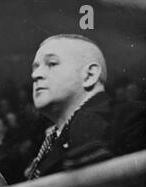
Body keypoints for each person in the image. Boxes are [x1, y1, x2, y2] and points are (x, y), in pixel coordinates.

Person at [26, 34, 146, 179]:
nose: (35, 75)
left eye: (52, 63)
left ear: (90, 75)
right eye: (35, 68)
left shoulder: (135, 117)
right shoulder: (49, 141)